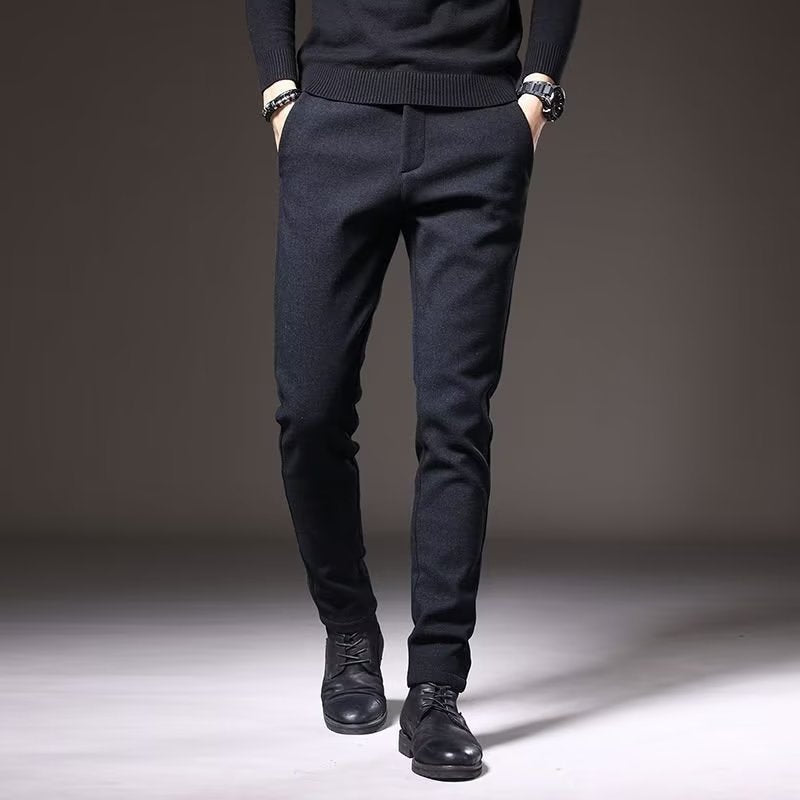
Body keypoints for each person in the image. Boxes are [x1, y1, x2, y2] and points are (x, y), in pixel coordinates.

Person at [245, 0, 581, 781]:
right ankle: (350, 633)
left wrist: (536, 94)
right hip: (334, 126)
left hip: (478, 132)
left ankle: (436, 686)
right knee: (309, 411)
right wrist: (280, 94)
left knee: (455, 420)